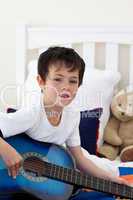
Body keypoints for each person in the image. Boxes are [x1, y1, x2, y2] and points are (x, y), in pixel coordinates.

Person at [0, 47, 128, 200]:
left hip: (42, 184)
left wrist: (111, 179)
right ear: (41, 81)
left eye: (73, 81)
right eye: (57, 79)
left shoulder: (72, 115)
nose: (66, 86)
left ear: (78, 85)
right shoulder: (33, 112)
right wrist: (7, 150)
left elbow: (79, 160)